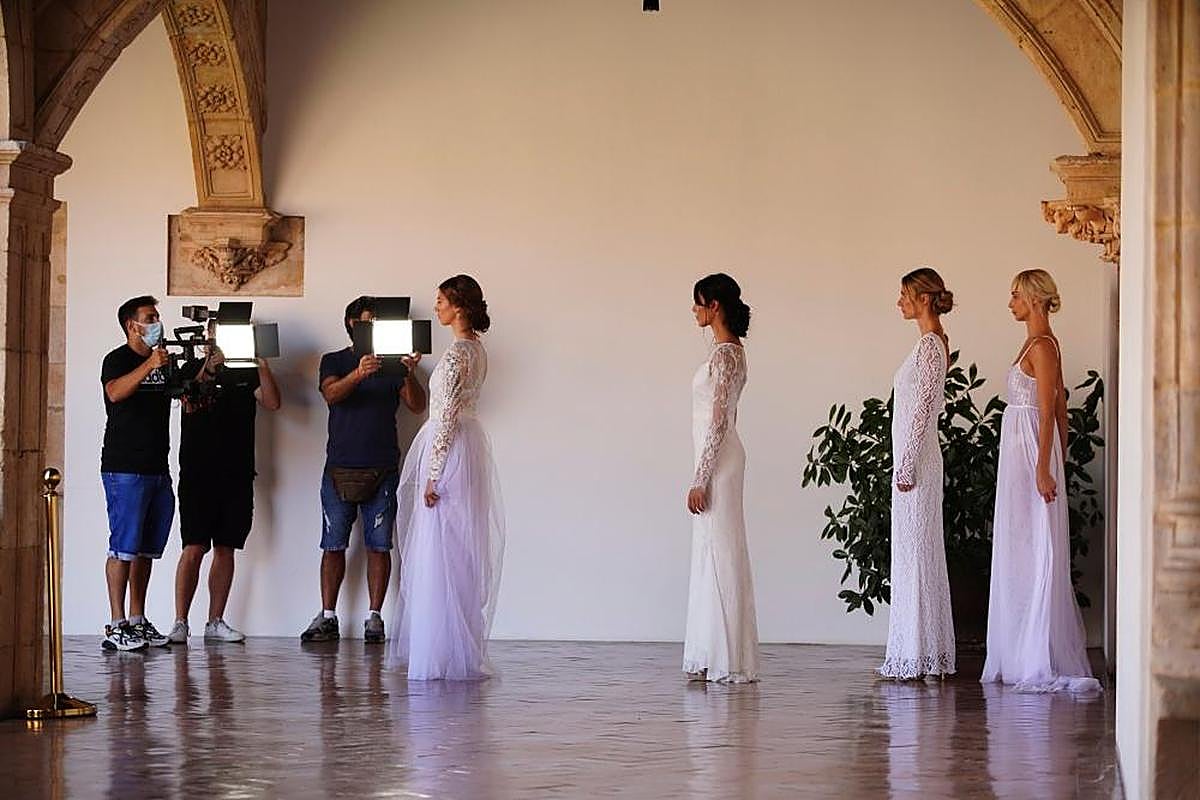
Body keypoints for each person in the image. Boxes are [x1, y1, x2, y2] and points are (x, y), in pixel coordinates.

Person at [981, 269, 1100, 693]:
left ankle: (1034, 652)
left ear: (1033, 299)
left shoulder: (1044, 346)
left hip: (1031, 452)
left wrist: (1047, 465)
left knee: (1037, 543)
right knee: (1020, 542)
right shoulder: (1034, 343)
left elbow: (1052, 409)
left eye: (1016, 295)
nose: (1010, 302)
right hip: (1021, 454)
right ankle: (1018, 647)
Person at [389, 275, 505, 680]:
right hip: (467, 447)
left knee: (440, 547)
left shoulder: (457, 354)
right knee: (457, 548)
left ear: (458, 306)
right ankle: (456, 647)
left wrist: (433, 474)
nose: (435, 307)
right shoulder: (476, 350)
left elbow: (447, 416)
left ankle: (440, 651)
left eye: (440, 301)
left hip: (451, 450)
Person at [301, 296, 426, 643]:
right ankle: (328, 616)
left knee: (380, 546)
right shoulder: (334, 359)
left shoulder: (395, 364)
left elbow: (418, 406)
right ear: (353, 324)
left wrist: (408, 372)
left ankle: (375, 617)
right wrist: (359, 373)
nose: (373, 328)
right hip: (339, 467)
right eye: (368, 321)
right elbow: (331, 394)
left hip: (383, 467)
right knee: (333, 544)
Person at [167, 323, 281, 644]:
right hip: (198, 472)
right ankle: (180, 622)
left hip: (237, 472)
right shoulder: (191, 368)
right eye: (215, 334)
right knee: (193, 547)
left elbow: (272, 402)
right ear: (207, 338)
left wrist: (261, 364)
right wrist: (209, 366)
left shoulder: (247, 371)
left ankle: (215, 621)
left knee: (226, 547)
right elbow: (187, 399)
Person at [879, 267, 956, 680]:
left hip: (917, 462)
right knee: (915, 552)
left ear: (923, 298)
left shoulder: (930, 345)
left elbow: (924, 409)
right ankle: (919, 652)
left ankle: (917, 654)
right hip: (915, 459)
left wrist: (906, 463)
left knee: (916, 554)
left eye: (905, 295)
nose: (899, 302)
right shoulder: (933, 342)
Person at [683, 273, 759, 683]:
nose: (694, 310)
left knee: (721, 551)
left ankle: (726, 655)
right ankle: (710, 650)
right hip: (719, 457)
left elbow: (719, 420)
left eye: (698, 303)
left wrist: (701, 477)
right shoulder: (728, 352)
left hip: (719, 462)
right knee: (710, 549)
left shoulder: (726, 355)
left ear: (714, 306)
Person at [99, 295, 174, 651]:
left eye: (157, 316)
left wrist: (205, 368)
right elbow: (115, 393)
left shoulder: (164, 362)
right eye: (151, 317)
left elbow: (182, 394)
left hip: (158, 467)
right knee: (123, 548)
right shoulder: (117, 359)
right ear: (133, 325)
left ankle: (137, 619)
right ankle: (116, 624)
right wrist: (149, 365)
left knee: (145, 550)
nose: (157, 322)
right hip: (125, 468)